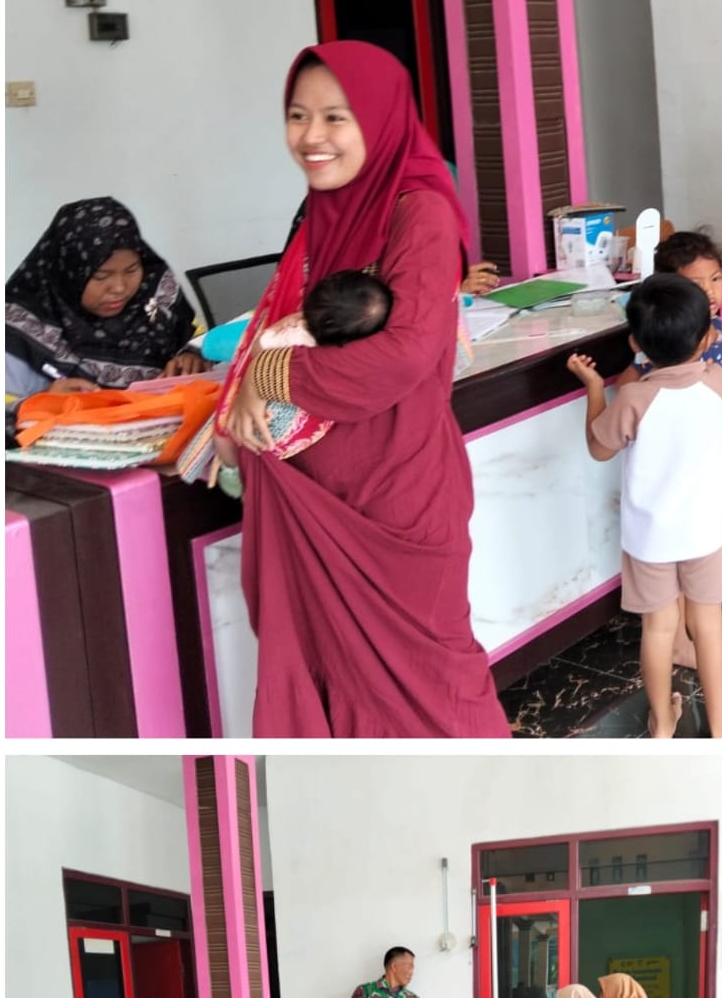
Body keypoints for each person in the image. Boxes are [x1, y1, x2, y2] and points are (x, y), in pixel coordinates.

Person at [215, 40, 509, 738]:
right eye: (297, 115)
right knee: (331, 690)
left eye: (335, 117)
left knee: (434, 697)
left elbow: (402, 356)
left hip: (394, 501)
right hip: (312, 500)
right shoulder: (322, 214)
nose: (311, 136)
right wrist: (244, 389)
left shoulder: (418, 212)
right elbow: (289, 324)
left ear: (379, 120)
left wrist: (267, 374)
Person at [568, 275, 722, 740]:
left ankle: (661, 723)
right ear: (707, 338)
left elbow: (599, 447)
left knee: (658, 630)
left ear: (636, 343)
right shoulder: (718, 382)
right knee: (707, 628)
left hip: (650, 539)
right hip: (704, 532)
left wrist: (595, 387)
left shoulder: (633, 398)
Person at [617, 229, 722, 670]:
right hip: (678, 466)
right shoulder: (672, 340)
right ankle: (679, 639)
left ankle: (704, 618)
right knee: (679, 546)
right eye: (697, 285)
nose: (711, 292)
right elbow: (628, 381)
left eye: (716, 279)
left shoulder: (715, 329)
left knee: (706, 540)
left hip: (714, 455)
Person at [211, 270, 393, 497]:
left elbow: (258, 350)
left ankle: (231, 472)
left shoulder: (295, 332)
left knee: (223, 429)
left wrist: (282, 326)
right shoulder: (350, 354)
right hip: (309, 429)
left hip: (268, 412)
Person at [6, 197, 203, 396]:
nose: (119, 288)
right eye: (101, 276)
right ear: (67, 274)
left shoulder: (153, 294)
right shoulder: (16, 331)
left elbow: (198, 336)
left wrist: (193, 353)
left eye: (132, 270)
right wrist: (43, 399)